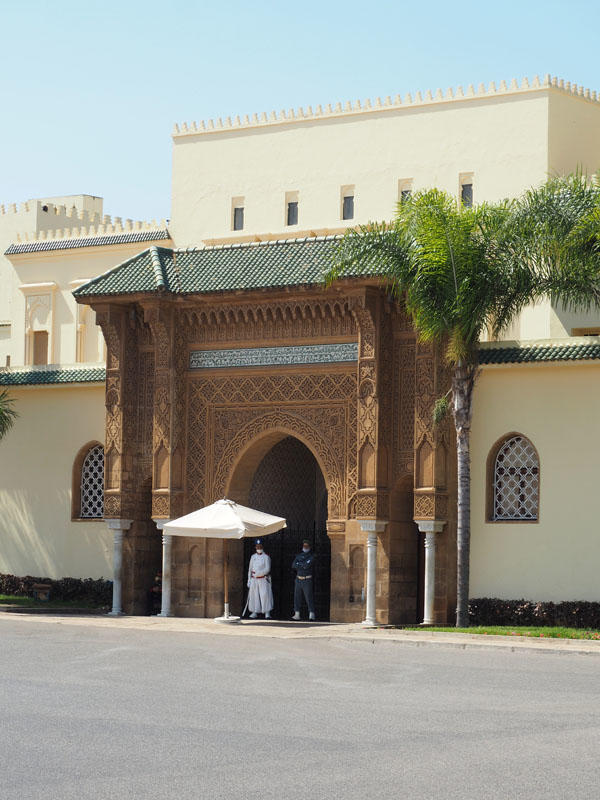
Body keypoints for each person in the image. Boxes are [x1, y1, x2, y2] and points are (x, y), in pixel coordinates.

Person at [247, 538, 274, 619]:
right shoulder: (253, 556)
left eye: (260, 546)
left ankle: (267, 612)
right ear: (255, 547)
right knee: (254, 595)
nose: (258, 548)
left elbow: (267, 569)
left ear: (262, 547)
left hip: (263, 579)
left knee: (264, 595)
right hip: (254, 579)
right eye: (257, 546)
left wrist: (258, 574)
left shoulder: (266, 557)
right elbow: (250, 569)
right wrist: (249, 580)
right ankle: (254, 611)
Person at [292, 538, 316, 621]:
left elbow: (307, 565)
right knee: (297, 597)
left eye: (307, 546)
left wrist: (300, 563)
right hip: (298, 579)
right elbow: (294, 565)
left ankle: (311, 614)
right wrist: (302, 564)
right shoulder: (299, 555)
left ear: (309, 547)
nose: (305, 547)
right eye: (304, 545)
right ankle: (297, 614)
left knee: (308, 597)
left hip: (307, 579)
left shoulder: (312, 556)